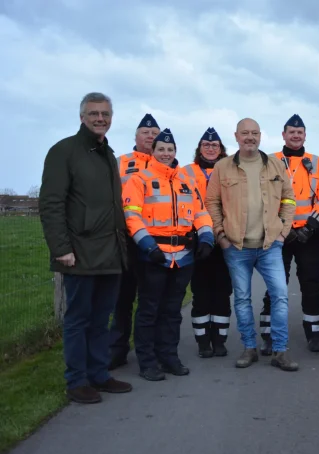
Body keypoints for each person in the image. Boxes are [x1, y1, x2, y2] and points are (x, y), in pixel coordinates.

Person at [39, 91, 132, 404]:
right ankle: (76, 381)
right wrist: (60, 248)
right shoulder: (64, 151)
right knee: (78, 319)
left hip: (110, 251)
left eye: (105, 114)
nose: (100, 119)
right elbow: (51, 204)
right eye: (93, 113)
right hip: (78, 252)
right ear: (82, 116)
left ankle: (99, 374)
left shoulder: (107, 153)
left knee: (100, 318)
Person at [205, 118, 299, 372]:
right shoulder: (223, 167)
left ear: (260, 136)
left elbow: (289, 199)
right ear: (236, 136)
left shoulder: (275, 165)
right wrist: (220, 235)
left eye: (254, 133)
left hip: (271, 245)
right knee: (243, 299)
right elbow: (211, 202)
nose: (250, 137)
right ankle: (249, 348)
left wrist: (282, 232)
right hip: (236, 247)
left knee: (280, 296)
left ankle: (280, 350)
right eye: (245, 133)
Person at [122, 128, 215, 381]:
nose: (166, 153)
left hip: (183, 256)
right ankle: (148, 361)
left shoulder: (186, 181)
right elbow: (132, 216)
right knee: (149, 309)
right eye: (161, 149)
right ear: (153, 152)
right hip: (152, 256)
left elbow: (200, 213)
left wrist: (207, 236)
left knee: (172, 311)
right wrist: (148, 246)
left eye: (170, 149)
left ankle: (169, 357)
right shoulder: (139, 179)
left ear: (176, 152)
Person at [257, 114, 319, 355]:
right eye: (292, 132)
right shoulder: (270, 160)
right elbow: (262, 196)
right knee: (275, 285)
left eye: (300, 132)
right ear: (283, 135)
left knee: (311, 284)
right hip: (279, 234)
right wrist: (280, 226)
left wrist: (311, 226)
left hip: (308, 235)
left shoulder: (317, 162)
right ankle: (269, 336)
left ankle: (314, 334)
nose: (296, 135)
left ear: (305, 135)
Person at [108, 113, 160, 370]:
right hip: (127, 242)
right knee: (122, 298)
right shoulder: (120, 162)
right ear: (135, 137)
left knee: (151, 300)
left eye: (154, 134)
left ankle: (150, 350)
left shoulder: (166, 163)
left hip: (156, 243)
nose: (150, 137)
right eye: (145, 133)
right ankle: (117, 350)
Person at [182, 127, 233, 358]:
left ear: (221, 149)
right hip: (198, 240)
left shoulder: (230, 170)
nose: (211, 148)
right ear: (199, 148)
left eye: (215, 145)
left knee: (222, 291)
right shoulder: (186, 172)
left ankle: (220, 340)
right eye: (206, 145)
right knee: (201, 292)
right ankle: (203, 341)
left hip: (225, 238)